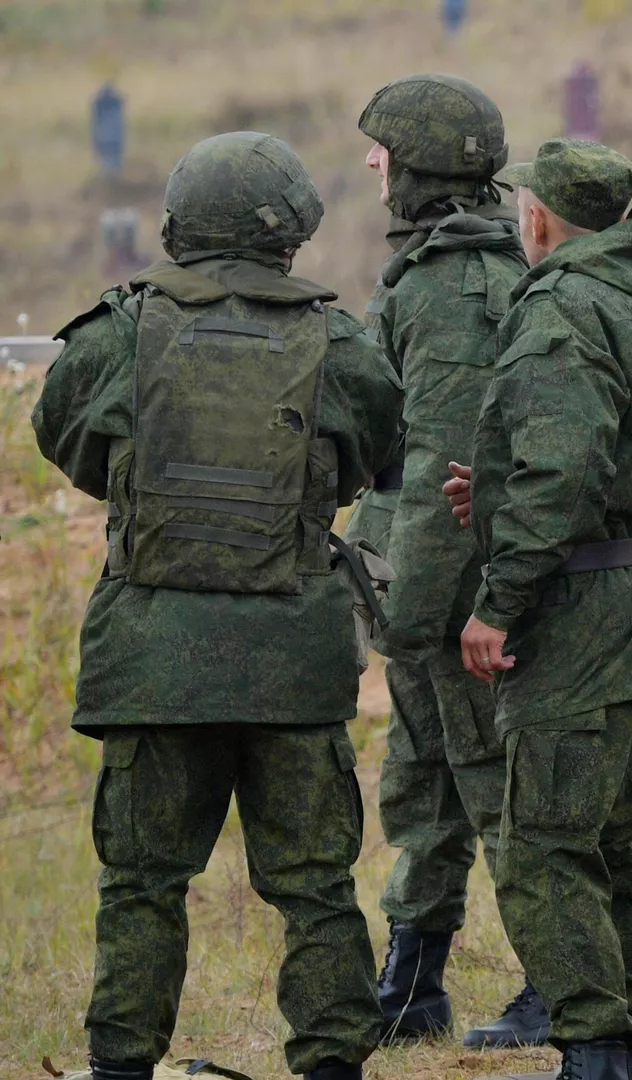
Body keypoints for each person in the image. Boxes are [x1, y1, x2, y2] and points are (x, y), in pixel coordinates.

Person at [32, 132, 402, 1080]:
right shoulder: (343, 342)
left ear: (180, 221)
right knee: (317, 888)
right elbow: (372, 455)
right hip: (292, 662)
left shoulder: (115, 334)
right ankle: (331, 1067)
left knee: (142, 885)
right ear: (289, 233)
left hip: (154, 659)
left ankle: (120, 1067)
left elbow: (68, 443)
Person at [442, 138, 632, 1080]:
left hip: (571, 620)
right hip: (626, 599)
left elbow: (565, 465)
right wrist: (533, 500)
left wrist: (498, 601)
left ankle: (599, 1050)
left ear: (541, 220)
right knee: (619, 843)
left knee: (547, 851)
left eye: (524, 208)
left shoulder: (559, 306)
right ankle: (631, 1040)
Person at [344, 71, 552, 1050]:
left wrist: (419, 614)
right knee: (424, 788)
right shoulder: (435, 276)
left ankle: (562, 985)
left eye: (383, 151)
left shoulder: (457, 290)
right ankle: (414, 989)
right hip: (429, 587)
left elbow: (444, 468)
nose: (371, 165)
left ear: (418, 167)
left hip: (455, 591)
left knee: (496, 785)